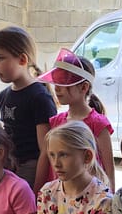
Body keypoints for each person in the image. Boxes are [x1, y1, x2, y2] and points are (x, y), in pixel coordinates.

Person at [0, 26, 57, 190]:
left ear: (22, 59)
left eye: (0, 58)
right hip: (9, 167)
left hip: (31, 169)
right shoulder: (3, 96)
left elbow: (46, 150)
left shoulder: (39, 97)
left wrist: (38, 189)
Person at [41, 49, 115, 191]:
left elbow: (109, 171)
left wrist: (111, 197)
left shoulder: (98, 124)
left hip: (91, 196)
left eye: (63, 83)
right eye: (56, 82)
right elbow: (45, 160)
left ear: (84, 87)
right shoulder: (56, 122)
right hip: (60, 195)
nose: (57, 89)